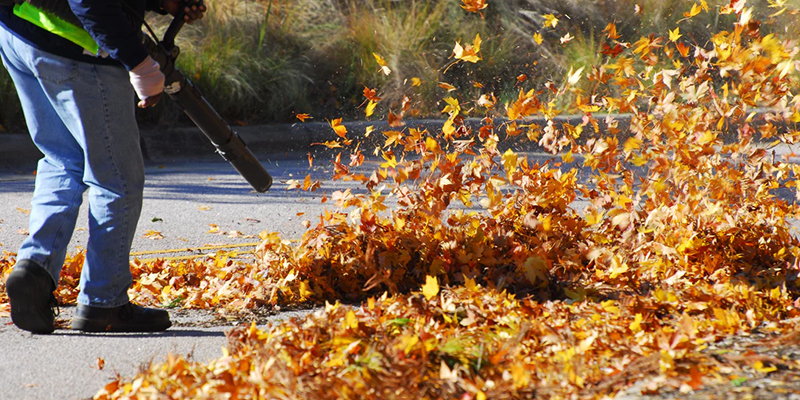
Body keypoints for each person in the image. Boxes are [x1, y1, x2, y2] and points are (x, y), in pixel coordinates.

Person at [0, 0, 205, 334]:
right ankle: (104, 302)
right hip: (76, 46)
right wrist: (139, 63)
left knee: (63, 159)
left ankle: (34, 269)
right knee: (117, 179)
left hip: (21, 29)